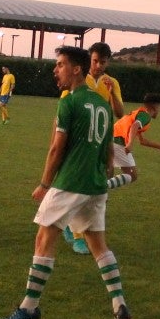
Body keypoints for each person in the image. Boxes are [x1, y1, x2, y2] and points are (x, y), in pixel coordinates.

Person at [0, 46, 131, 319]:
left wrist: (45, 183)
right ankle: (118, 302)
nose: (55, 70)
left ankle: (29, 307)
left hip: (71, 182)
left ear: (76, 69)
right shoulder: (102, 105)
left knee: (44, 239)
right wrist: (102, 172)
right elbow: (109, 152)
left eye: (60, 65)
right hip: (96, 186)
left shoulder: (69, 102)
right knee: (98, 245)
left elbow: (57, 147)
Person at [62, 42, 125, 254]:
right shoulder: (80, 78)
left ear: (108, 62)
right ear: (90, 59)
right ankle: (79, 235)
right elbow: (66, 104)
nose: (98, 65)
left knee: (92, 187)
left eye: (103, 62)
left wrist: (112, 93)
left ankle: (70, 224)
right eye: (95, 60)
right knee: (79, 185)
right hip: (79, 138)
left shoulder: (111, 82)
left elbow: (120, 113)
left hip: (100, 139)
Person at [107, 93, 160, 190]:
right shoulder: (146, 116)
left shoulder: (139, 113)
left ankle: (100, 188)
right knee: (132, 175)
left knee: (122, 173)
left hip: (110, 139)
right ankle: (101, 188)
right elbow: (135, 126)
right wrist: (129, 144)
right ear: (155, 106)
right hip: (118, 141)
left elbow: (142, 140)